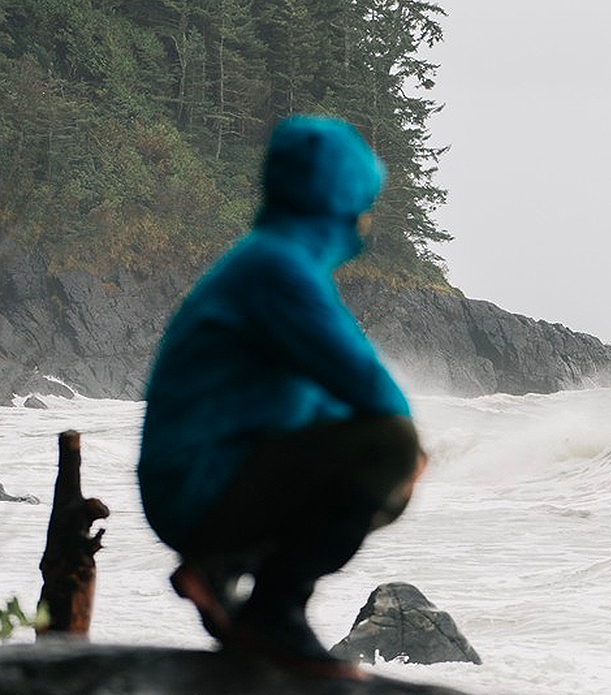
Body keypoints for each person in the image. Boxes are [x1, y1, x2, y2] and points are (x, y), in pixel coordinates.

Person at [138, 115, 425, 678]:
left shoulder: (267, 259)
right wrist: (406, 458)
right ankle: (273, 611)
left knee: (369, 436)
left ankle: (219, 572)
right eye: (365, 200)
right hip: (197, 487)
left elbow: (319, 397)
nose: (367, 219)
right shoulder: (280, 270)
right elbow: (375, 391)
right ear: (340, 201)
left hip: (190, 478)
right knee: (391, 447)